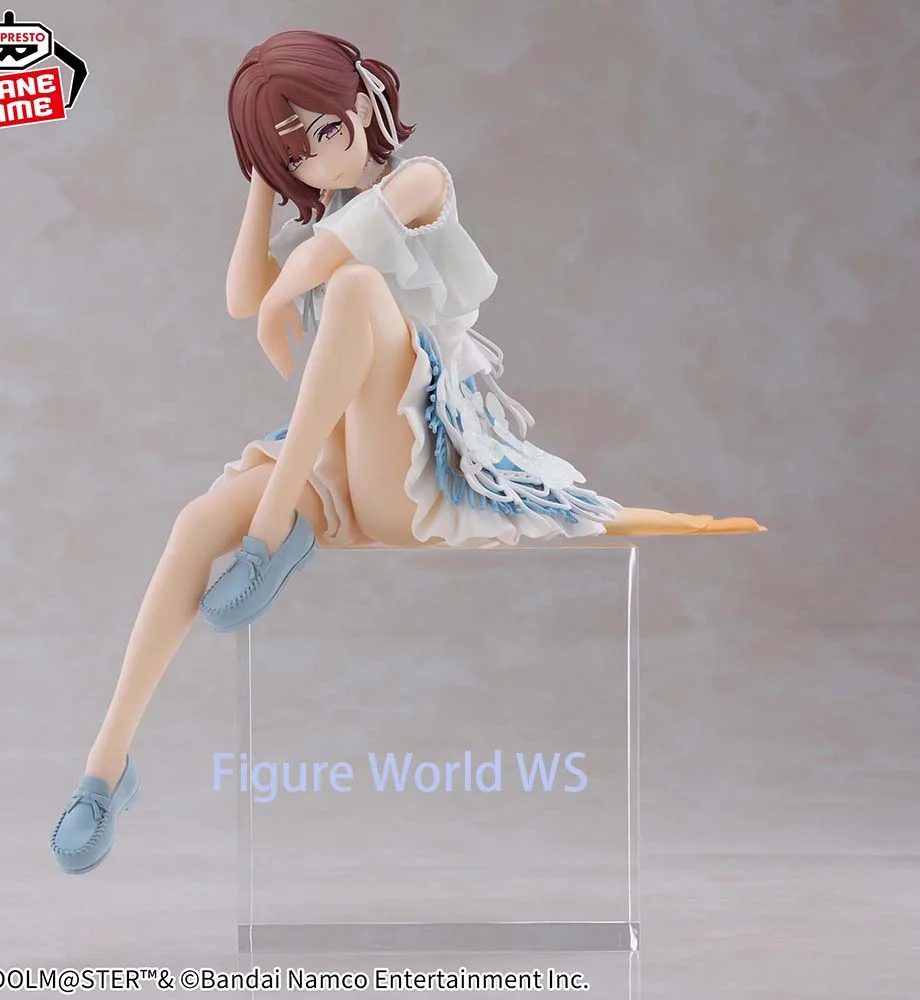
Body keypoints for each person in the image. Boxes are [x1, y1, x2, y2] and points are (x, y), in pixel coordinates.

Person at [50, 29, 765, 875]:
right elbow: (244, 295)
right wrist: (262, 181)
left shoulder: (421, 182)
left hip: (413, 471)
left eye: (325, 131)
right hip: (329, 463)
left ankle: (272, 532)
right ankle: (106, 769)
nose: (317, 160)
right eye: (295, 154)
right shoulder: (314, 214)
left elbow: (332, 255)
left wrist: (286, 297)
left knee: (355, 284)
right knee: (194, 521)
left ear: (364, 106)